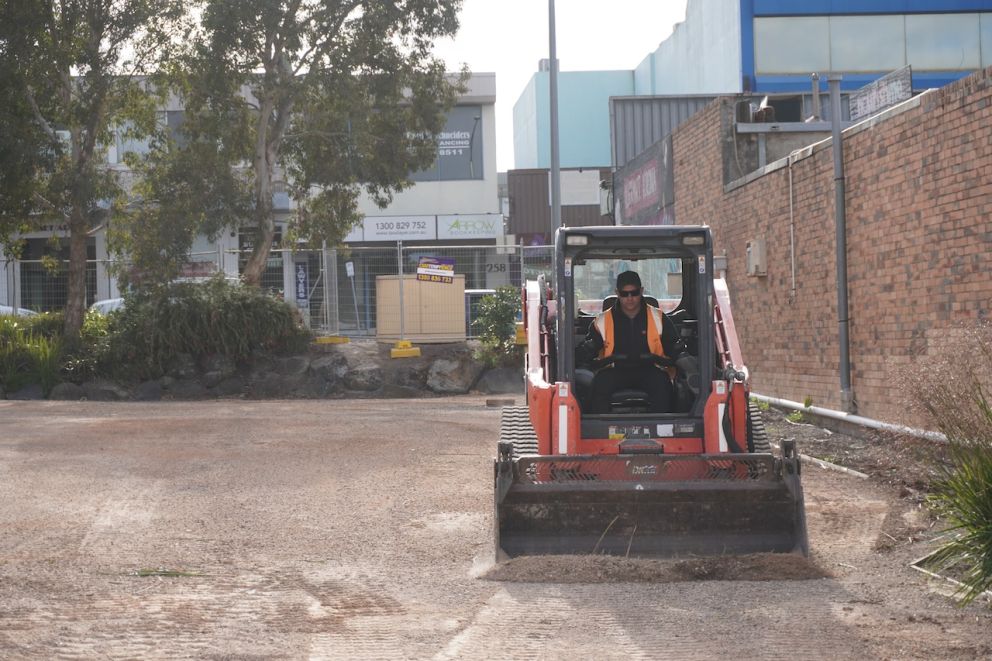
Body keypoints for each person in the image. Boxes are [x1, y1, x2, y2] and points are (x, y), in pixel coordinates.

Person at [576, 270, 681, 414]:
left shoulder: (659, 318)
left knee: (663, 386)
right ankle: (601, 429)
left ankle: (662, 429)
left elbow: (674, 347)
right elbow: (589, 350)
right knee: (599, 385)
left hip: (650, 370)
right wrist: (585, 354)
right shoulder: (602, 321)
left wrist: (679, 357)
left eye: (634, 293)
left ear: (642, 291)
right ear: (617, 293)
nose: (630, 298)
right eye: (624, 294)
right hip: (614, 371)